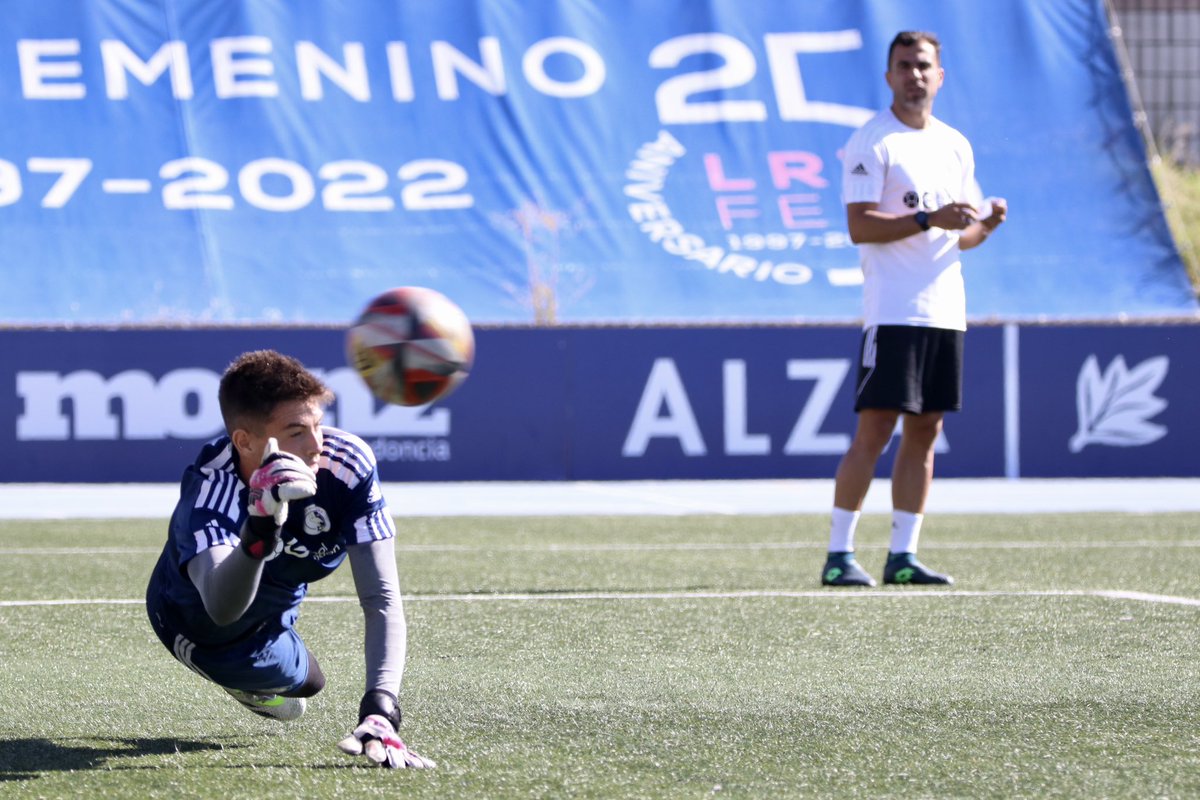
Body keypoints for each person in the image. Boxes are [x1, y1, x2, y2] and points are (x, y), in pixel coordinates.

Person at [145, 349, 434, 768]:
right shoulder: (213, 488)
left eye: (318, 424)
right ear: (244, 441)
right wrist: (260, 527)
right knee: (308, 684)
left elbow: (382, 599)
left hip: (281, 588)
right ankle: (240, 680)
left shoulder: (345, 465)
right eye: (296, 431)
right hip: (195, 618)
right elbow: (220, 608)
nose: (317, 445)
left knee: (310, 678)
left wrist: (381, 706)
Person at [820, 31, 1008, 588]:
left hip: (945, 309)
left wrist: (985, 226)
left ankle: (903, 555)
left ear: (939, 76)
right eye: (903, 66)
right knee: (875, 429)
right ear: (889, 76)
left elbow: (960, 233)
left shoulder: (954, 144)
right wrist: (929, 219)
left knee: (926, 430)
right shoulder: (873, 141)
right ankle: (838, 554)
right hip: (894, 308)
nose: (914, 75)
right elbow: (859, 227)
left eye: (923, 66)